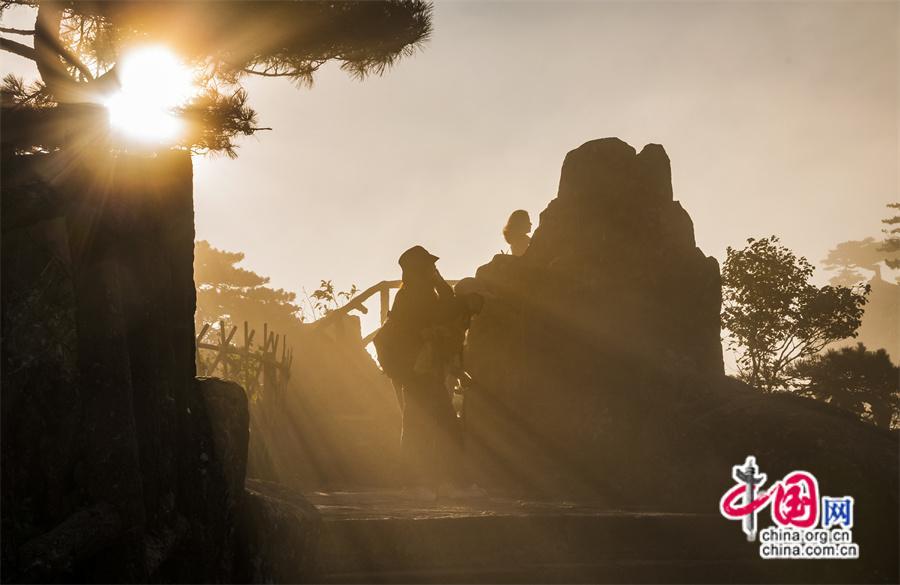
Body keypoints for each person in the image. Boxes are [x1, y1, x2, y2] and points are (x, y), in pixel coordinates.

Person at [375, 245, 462, 499]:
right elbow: (421, 326)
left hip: (425, 369)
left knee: (438, 422)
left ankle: (444, 482)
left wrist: (440, 284)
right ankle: (417, 484)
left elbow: (450, 307)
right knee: (422, 424)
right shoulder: (411, 296)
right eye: (429, 266)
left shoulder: (424, 293)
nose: (434, 269)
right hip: (415, 369)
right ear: (418, 270)